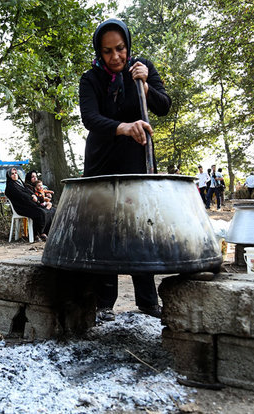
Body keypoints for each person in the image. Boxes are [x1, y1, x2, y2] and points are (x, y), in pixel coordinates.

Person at [79, 18, 171, 321]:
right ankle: (104, 300)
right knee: (103, 230)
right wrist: (122, 127)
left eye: (120, 49)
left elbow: (164, 106)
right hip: (101, 163)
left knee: (139, 228)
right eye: (107, 52)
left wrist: (144, 85)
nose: (115, 57)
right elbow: (90, 119)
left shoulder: (141, 69)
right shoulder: (90, 79)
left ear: (128, 46)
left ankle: (147, 300)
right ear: (99, 51)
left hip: (136, 163)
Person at [5, 168, 55, 241]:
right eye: (12, 174)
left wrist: (36, 197)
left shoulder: (19, 183)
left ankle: (46, 232)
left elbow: (29, 191)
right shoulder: (11, 186)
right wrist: (32, 197)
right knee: (41, 212)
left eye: (16, 173)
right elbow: (21, 195)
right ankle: (38, 233)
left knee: (52, 210)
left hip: (30, 205)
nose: (15, 175)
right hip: (22, 207)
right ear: (9, 176)